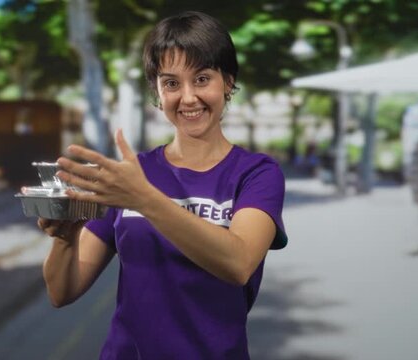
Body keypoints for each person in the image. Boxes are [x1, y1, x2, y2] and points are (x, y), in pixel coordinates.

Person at [38, 10, 288, 359]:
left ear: (228, 81)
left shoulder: (256, 173)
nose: (187, 97)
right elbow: (61, 292)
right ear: (157, 92)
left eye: (202, 79)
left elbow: (239, 262)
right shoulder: (131, 175)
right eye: (171, 83)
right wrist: (65, 239)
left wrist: (144, 199)